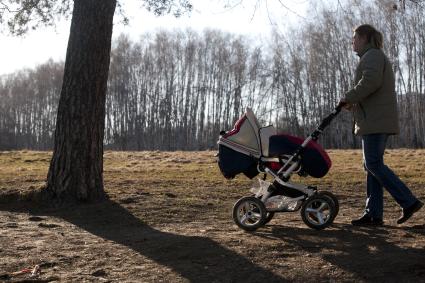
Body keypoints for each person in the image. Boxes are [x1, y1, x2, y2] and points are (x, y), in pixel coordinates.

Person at [339, 24, 423, 226]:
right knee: (371, 166)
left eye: (354, 38)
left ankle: (408, 201)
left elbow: (371, 82)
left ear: (364, 38)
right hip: (373, 120)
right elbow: (371, 87)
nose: (352, 42)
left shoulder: (373, 56)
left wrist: (348, 97)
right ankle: (373, 214)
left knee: (373, 164)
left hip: (376, 121)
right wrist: (353, 103)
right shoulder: (371, 57)